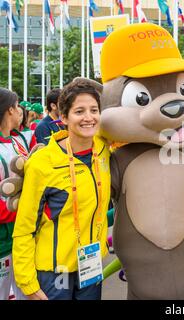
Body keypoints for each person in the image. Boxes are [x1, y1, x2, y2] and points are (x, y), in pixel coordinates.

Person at [12, 79, 111, 300]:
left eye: (94, 110)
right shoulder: (42, 163)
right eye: (79, 111)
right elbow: (25, 227)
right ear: (63, 118)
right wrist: (28, 283)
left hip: (91, 266)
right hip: (54, 272)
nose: (88, 117)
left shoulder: (104, 150)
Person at [0, 88, 36, 300]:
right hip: (4, 238)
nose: (20, 111)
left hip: (23, 234)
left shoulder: (17, 140)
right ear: (8, 110)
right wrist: (19, 210)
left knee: (26, 291)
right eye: (16, 106)